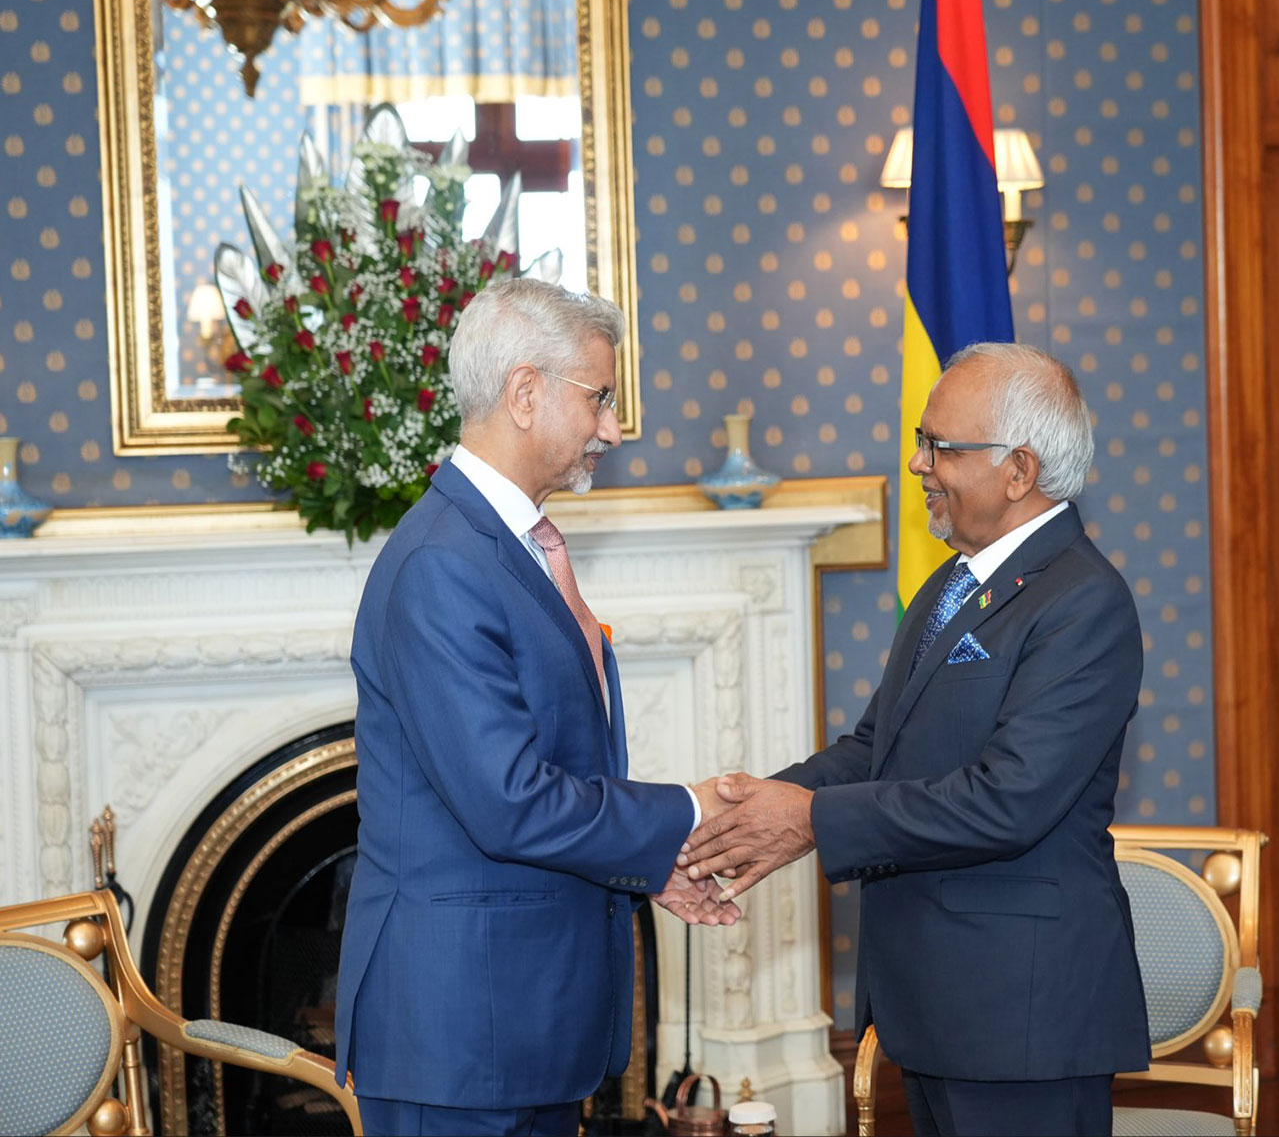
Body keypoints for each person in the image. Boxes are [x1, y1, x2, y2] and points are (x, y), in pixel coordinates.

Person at [682, 342, 1150, 1137]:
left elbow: (1008, 802)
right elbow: (877, 748)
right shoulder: (954, 583)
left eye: (940, 446)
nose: (917, 463)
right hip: (938, 1004)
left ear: (1018, 469)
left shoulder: (1084, 604)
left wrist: (808, 821)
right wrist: (738, 806)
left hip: (1021, 1018)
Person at [335, 279, 739, 1137]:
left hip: (518, 1028)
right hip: (459, 1040)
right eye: (600, 398)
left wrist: (647, 865)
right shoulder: (444, 566)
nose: (614, 430)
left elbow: (555, 770)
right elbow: (510, 802)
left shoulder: (510, 548)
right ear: (526, 393)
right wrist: (694, 811)